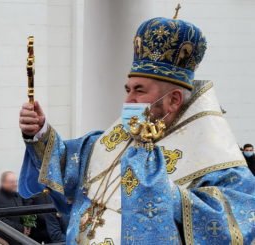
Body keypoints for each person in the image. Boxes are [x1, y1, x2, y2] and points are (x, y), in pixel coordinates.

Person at [18, 9, 255, 245]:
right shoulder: (122, 135)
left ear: (173, 100)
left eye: (139, 90)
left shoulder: (215, 156)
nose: (129, 100)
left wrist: (164, 194)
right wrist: (39, 132)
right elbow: (72, 162)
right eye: (127, 89)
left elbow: (237, 220)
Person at [0, 171, 30, 244]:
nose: (15, 184)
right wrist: (21, 228)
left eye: (16, 182)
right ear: (3, 183)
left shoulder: (18, 196)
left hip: (20, 238)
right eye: (11, 182)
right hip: (6, 240)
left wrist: (27, 225)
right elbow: (0, 221)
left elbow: (25, 211)